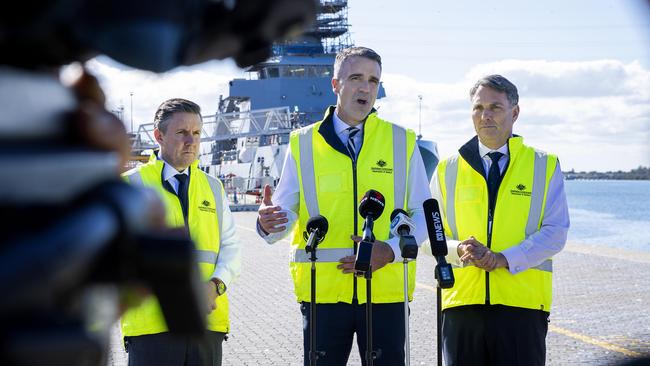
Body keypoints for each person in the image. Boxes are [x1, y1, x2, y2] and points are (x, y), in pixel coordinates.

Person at [256, 46, 431, 365]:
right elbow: (283, 215)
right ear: (335, 85)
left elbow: (424, 214)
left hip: (385, 292)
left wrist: (389, 251)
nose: (366, 88)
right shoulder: (303, 143)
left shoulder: (402, 141)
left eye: (373, 80)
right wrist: (268, 224)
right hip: (323, 293)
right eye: (356, 78)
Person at [431, 75, 570, 366]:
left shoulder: (543, 165)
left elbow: (556, 232)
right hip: (461, 305)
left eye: (495, 107)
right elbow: (429, 233)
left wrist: (503, 258)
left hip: (522, 306)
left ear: (515, 113)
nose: (485, 115)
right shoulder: (446, 169)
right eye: (478, 108)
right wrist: (458, 250)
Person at [121, 98, 241, 366]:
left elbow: (232, 248)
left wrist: (215, 286)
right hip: (152, 328)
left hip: (207, 322)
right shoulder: (131, 185)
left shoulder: (213, 187)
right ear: (159, 136)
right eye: (182, 133)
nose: (191, 141)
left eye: (196, 133)